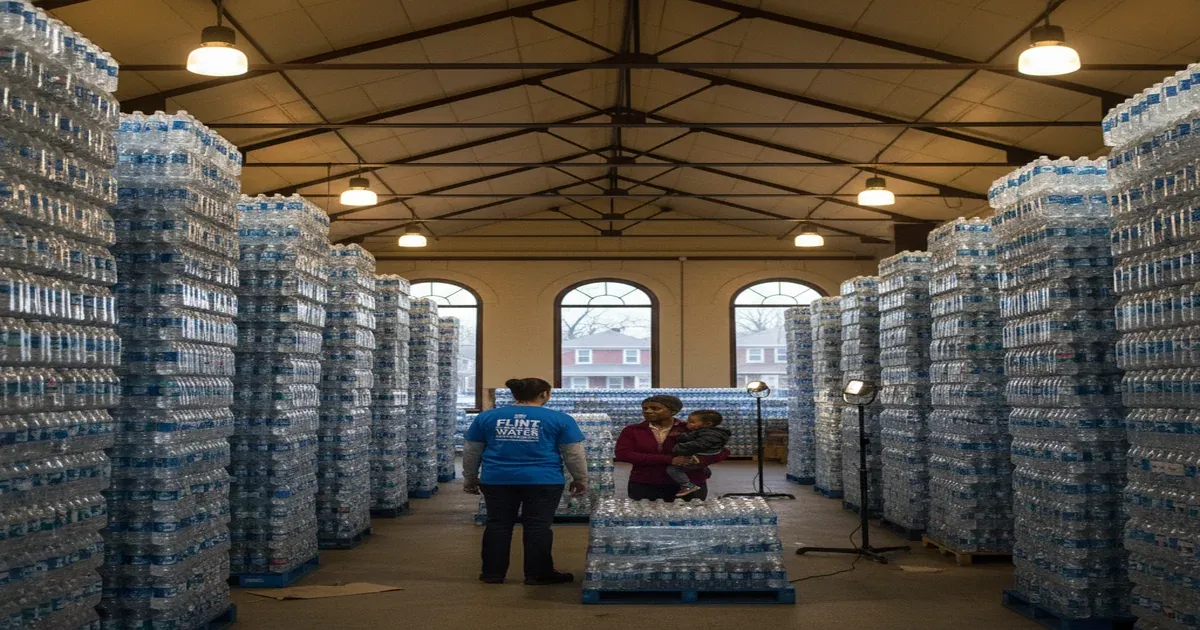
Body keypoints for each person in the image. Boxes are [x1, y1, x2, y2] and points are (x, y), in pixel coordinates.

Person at [462, 378, 588, 586]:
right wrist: (580, 479)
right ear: (545, 394)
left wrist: (470, 478)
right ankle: (538, 574)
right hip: (543, 480)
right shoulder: (560, 419)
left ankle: (492, 573)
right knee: (538, 526)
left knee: (498, 525)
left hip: (497, 480)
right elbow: (574, 454)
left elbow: (471, 450)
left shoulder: (488, 417)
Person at [614, 394, 730, 501]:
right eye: (645, 408)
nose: (648, 411)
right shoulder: (633, 430)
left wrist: (699, 460)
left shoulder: (690, 429)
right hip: (645, 485)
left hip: (690, 486)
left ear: (673, 411)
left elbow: (723, 451)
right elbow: (623, 454)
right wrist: (669, 460)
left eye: (655, 408)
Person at [666, 410, 731, 497]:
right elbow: (692, 436)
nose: (688, 424)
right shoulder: (703, 431)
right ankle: (702, 468)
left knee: (673, 469)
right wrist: (681, 436)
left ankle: (688, 485)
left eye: (692, 422)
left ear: (708, 424)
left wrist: (679, 447)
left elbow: (699, 444)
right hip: (698, 458)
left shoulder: (709, 434)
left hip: (700, 457)